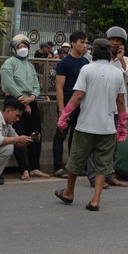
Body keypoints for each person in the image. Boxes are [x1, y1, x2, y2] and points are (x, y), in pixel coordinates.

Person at [54, 39, 127, 211]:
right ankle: (95, 200)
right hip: (107, 127)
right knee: (102, 165)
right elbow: (121, 101)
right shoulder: (117, 73)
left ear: (93, 51)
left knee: (75, 161)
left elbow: (78, 95)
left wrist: (64, 116)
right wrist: (122, 126)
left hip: (86, 125)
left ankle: (69, 192)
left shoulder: (86, 69)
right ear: (110, 52)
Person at [0, 33, 47, 180]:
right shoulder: (8, 64)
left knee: (35, 133)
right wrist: (22, 99)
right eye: (19, 46)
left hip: (30, 100)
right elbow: (9, 84)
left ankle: (35, 167)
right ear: (13, 49)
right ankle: (23, 169)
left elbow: (35, 84)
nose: (23, 49)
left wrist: (32, 97)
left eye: (25, 46)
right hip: (14, 100)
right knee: (18, 135)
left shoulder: (30, 66)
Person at [52, 31, 89, 177]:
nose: (85, 45)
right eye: (82, 42)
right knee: (60, 135)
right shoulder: (64, 63)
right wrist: (61, 108)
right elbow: (59, 86)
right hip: (67, 104)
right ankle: (58, 167)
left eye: (86, 42)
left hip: (82, 105)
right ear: (73, 43)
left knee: (76, 137)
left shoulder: (86, 63)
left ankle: (73, 166)